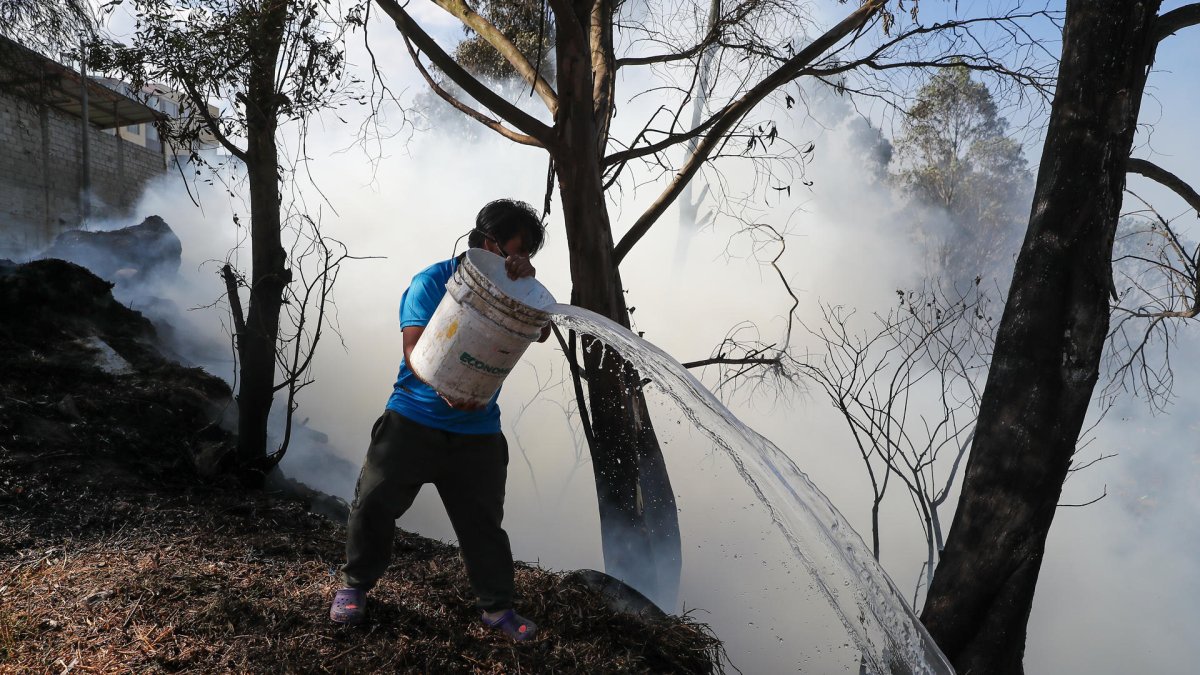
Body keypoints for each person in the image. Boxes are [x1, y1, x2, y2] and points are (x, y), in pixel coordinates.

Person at [329, 199, 549, 641]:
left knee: (483, 527)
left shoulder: (515, 288)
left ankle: (498, 609)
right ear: (489, 242)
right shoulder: (434, 282)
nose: (521, 260)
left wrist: (527, 286)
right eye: (516, 249)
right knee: (373, 507)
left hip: (478, 434)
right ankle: (354, 588)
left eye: (528, 254)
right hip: (413, 422)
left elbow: (541, 329)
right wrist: (447, 388)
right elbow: (414, 352)